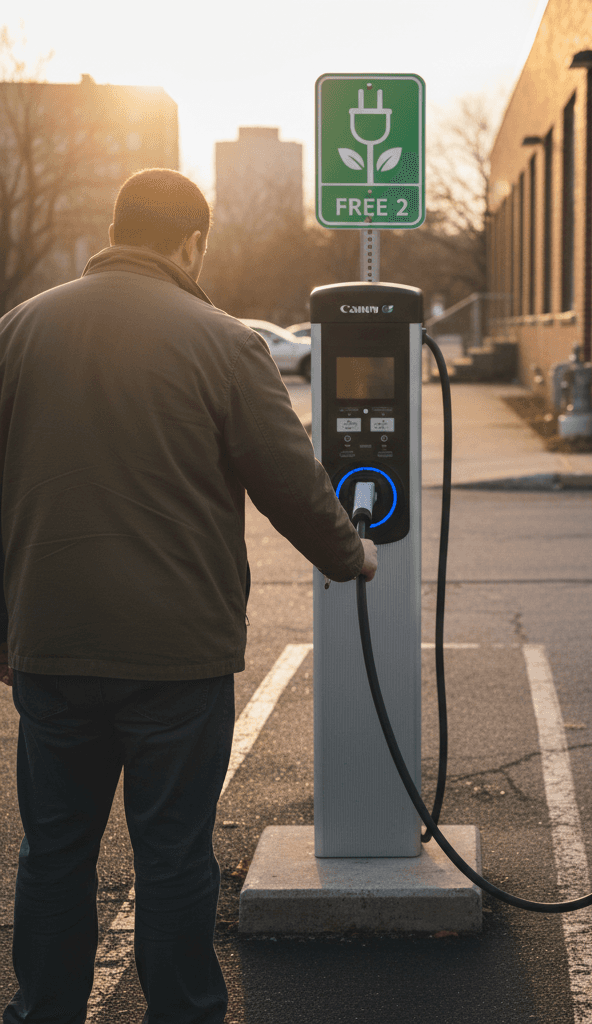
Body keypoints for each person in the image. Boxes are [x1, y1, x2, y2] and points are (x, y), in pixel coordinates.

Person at [0, 168, 376, 1024]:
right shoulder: (224, 341)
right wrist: (350, 556)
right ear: (192, 241)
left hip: (51, 647)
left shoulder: (17, 332)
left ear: (116, 227)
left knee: (55, 850)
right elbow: (290, 481)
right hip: (176, 657)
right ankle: (184, 1012)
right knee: (172, 854)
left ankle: (42, 1010)